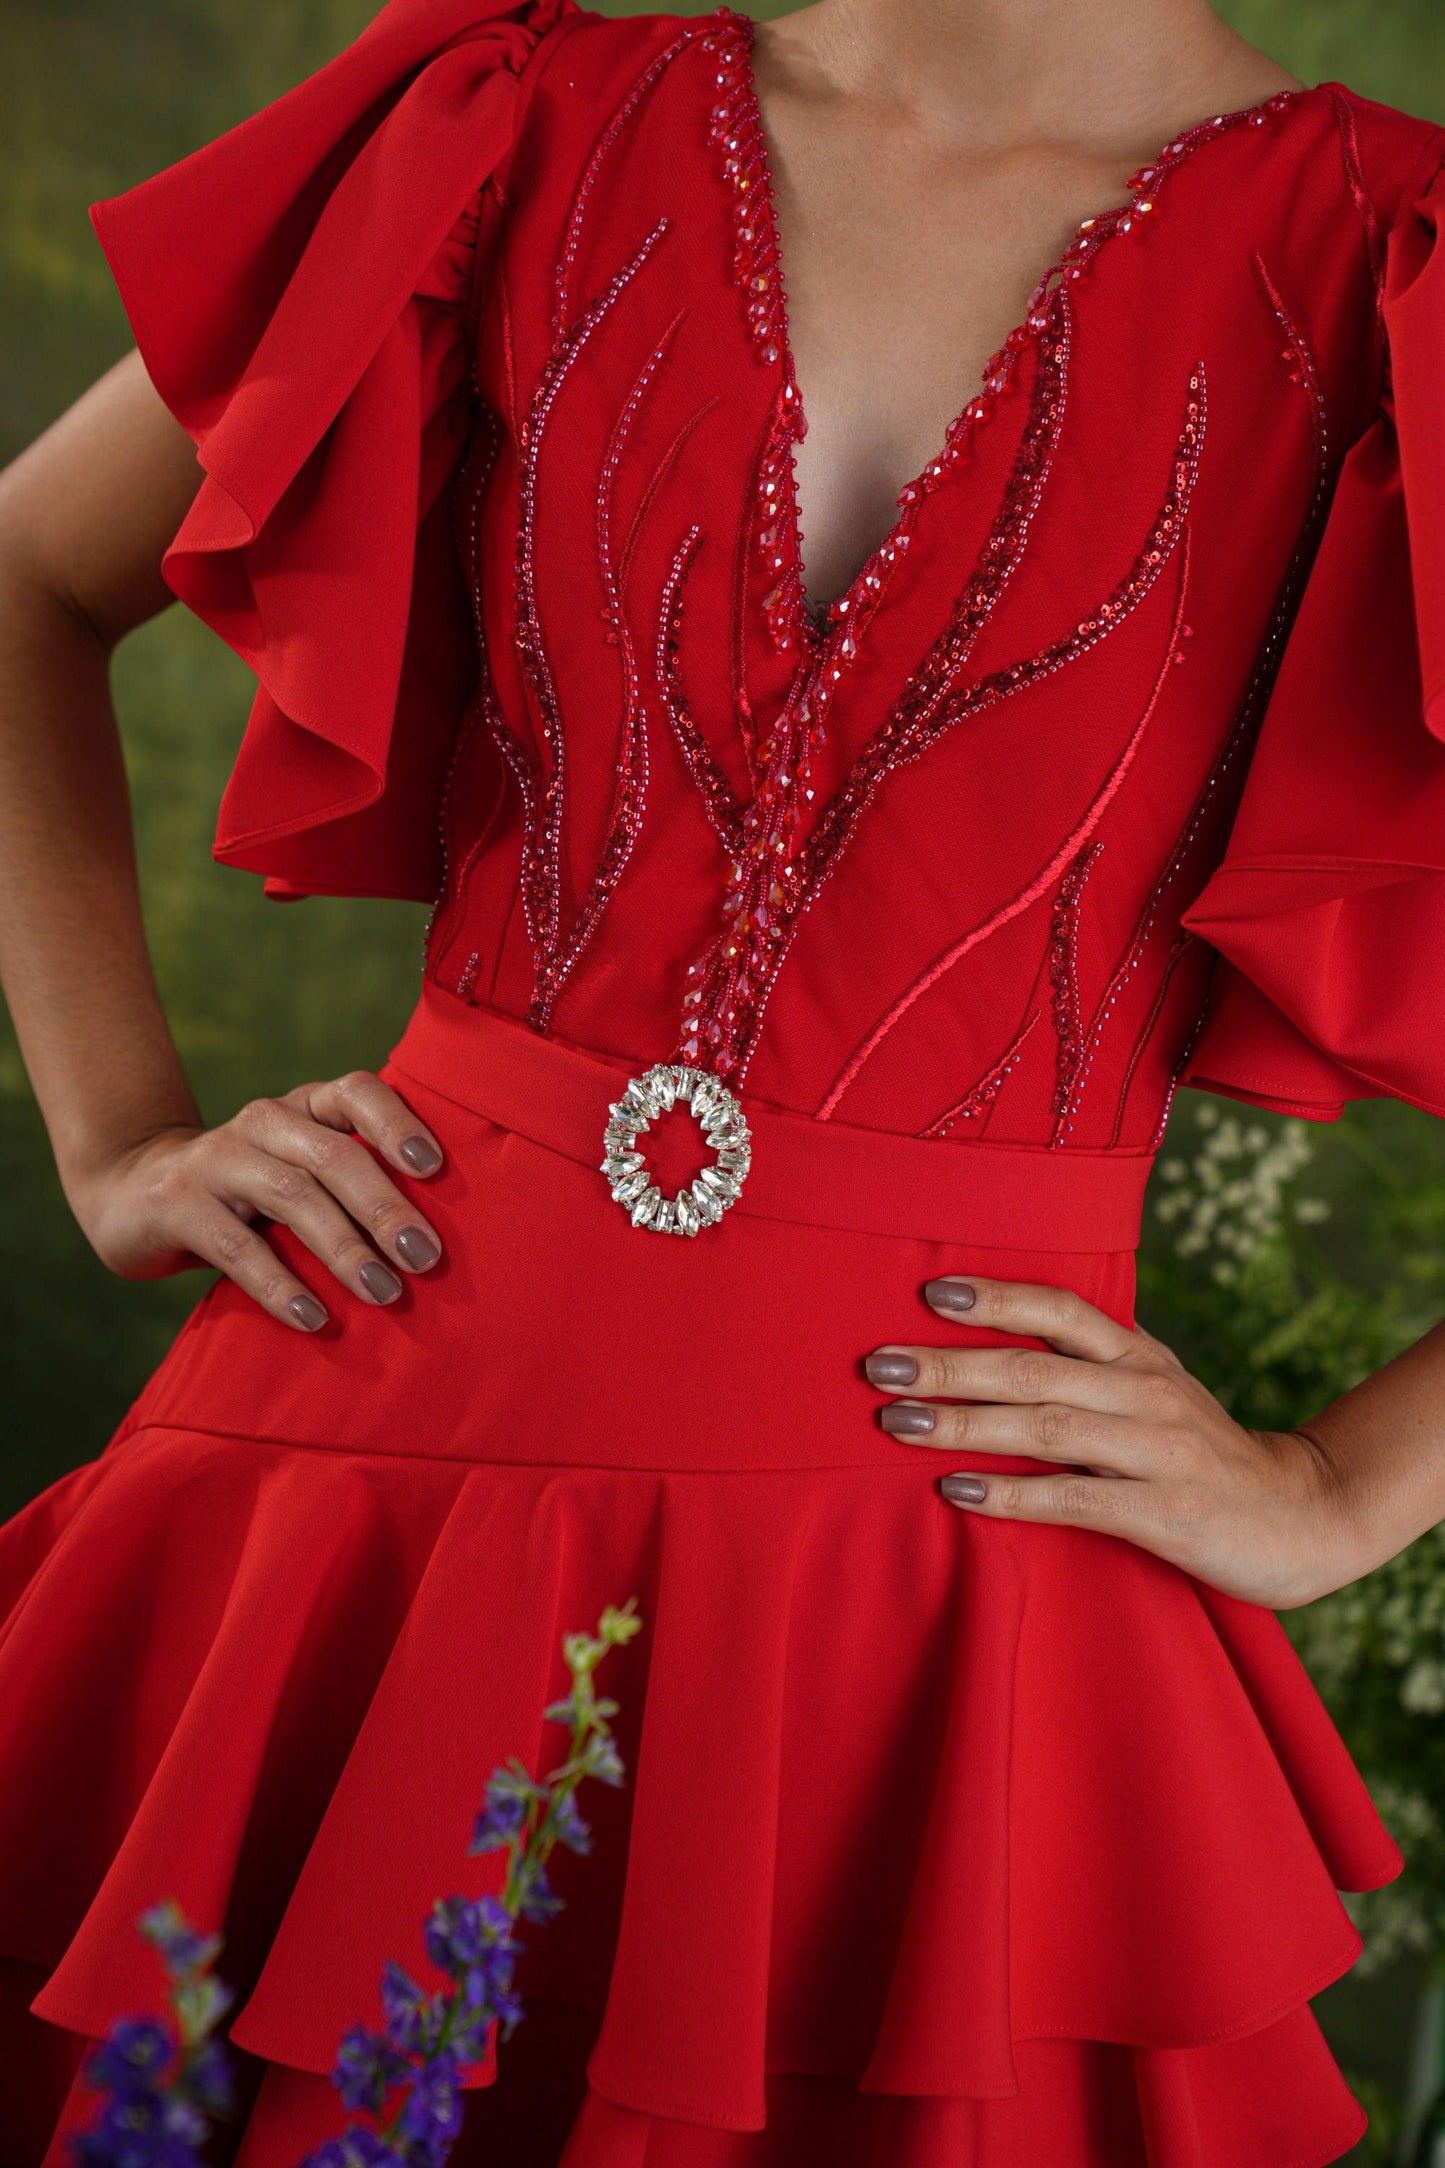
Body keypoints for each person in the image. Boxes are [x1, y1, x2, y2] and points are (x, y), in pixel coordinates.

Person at [0, 0, 1442, 2157]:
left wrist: (1346, 1490)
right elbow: (23, 571)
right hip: (347, 1495)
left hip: (936, 1607)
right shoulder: (517, 111)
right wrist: (113, 1133)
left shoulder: (1393, 258)